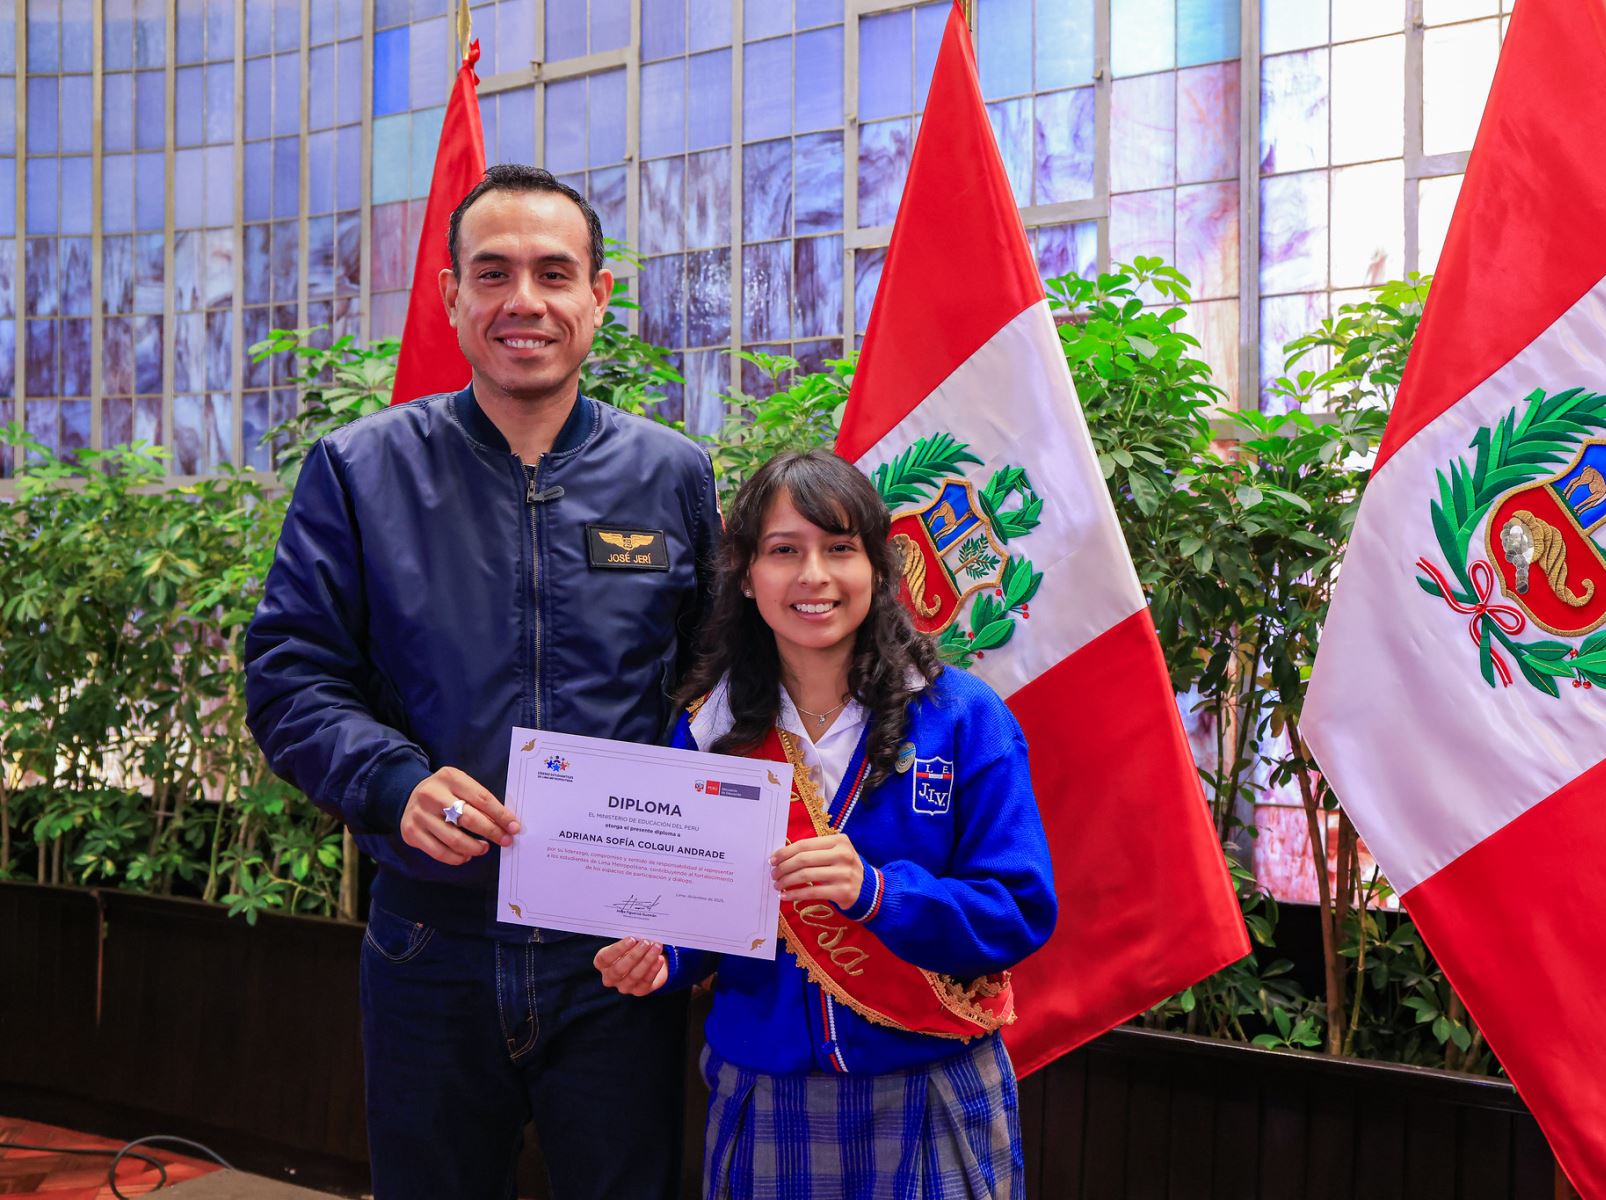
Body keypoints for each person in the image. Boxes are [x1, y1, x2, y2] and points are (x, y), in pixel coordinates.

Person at [244, 164, 717, 1199]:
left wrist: (692, 899)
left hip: (617, 957)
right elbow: (288, 675)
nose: (524, 302)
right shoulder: (360, 472)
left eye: (555, 273)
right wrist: (389, 781)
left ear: (599, 296)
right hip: (431, 948)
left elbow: (714, 688)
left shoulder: (671, 475)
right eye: (492, 273)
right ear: (453, 297)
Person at [596, 450, 1057, 1199]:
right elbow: (690, 913)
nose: (814, 576)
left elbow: (1020, 911)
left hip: (932, 1085)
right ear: (746, 576)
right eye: (784, 551)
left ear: (880, 567)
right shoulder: (711, 730)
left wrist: (878, 893)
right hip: (768, 1093)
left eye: (840, 548)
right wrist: (662, 958)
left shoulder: (963, 718)